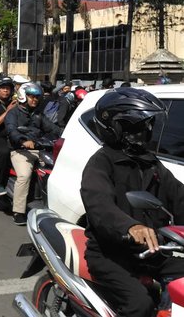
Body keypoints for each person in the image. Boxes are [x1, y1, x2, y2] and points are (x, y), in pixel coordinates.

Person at [81, 88, 184, 316]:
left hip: (152, 251)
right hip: (111, 255)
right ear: (116, 128)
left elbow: (179, 195)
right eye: (136, 127)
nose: (144, 131)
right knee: (140, 305)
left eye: (146, 125)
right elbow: (99, 205)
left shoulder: (150, 163)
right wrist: (130, 226)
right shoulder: (101, 163)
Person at [5, 83, 61, 225]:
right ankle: (18, 211)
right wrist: (23, 141)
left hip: (40, 148)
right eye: (32, 96)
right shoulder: (13, 113)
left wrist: (67, 133)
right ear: (23, 96)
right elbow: (11, 131)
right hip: (20, 150)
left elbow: (52, 128)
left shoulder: (37, 114)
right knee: (24, 175)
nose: (35, 99)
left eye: (37, 97)